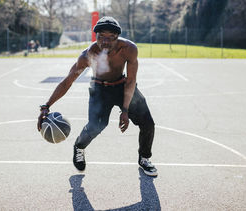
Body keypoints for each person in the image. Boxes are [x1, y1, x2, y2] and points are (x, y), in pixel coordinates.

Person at [37, 16, 157, 177]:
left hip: (123, 85)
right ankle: (79, 146)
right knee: (96, 126)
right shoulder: (88, 55)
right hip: (100, 89)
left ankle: (144, 158)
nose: (105, 41)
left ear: (117, 37)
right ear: (96, 36)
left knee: (148, 123)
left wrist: (125, 110)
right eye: (101, 37)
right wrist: (46, 106)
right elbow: (67, 82)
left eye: (110, 37)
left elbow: (131, 81)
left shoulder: (129, 49)